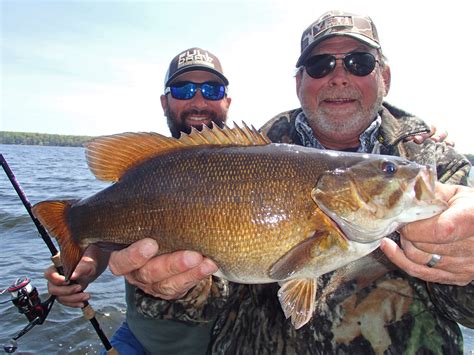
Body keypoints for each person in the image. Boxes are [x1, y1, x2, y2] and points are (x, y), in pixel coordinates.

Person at [103, 10, 474, 354]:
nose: (339, 76)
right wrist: (169, 287)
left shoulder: (434, 166)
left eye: (360, 63)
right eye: (320, 64)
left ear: (385, 78)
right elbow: (209, 299)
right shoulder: (252, 153)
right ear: (299, 82)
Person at [44, 47, 230, 354]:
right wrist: (85, 265)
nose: (198, 101)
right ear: (165, 102)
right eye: (183, 89)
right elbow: (112, 224)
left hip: (223, 342)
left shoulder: (258, 164)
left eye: (212, 89)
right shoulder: (145, 166)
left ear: (227, 100)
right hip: (141, 340)